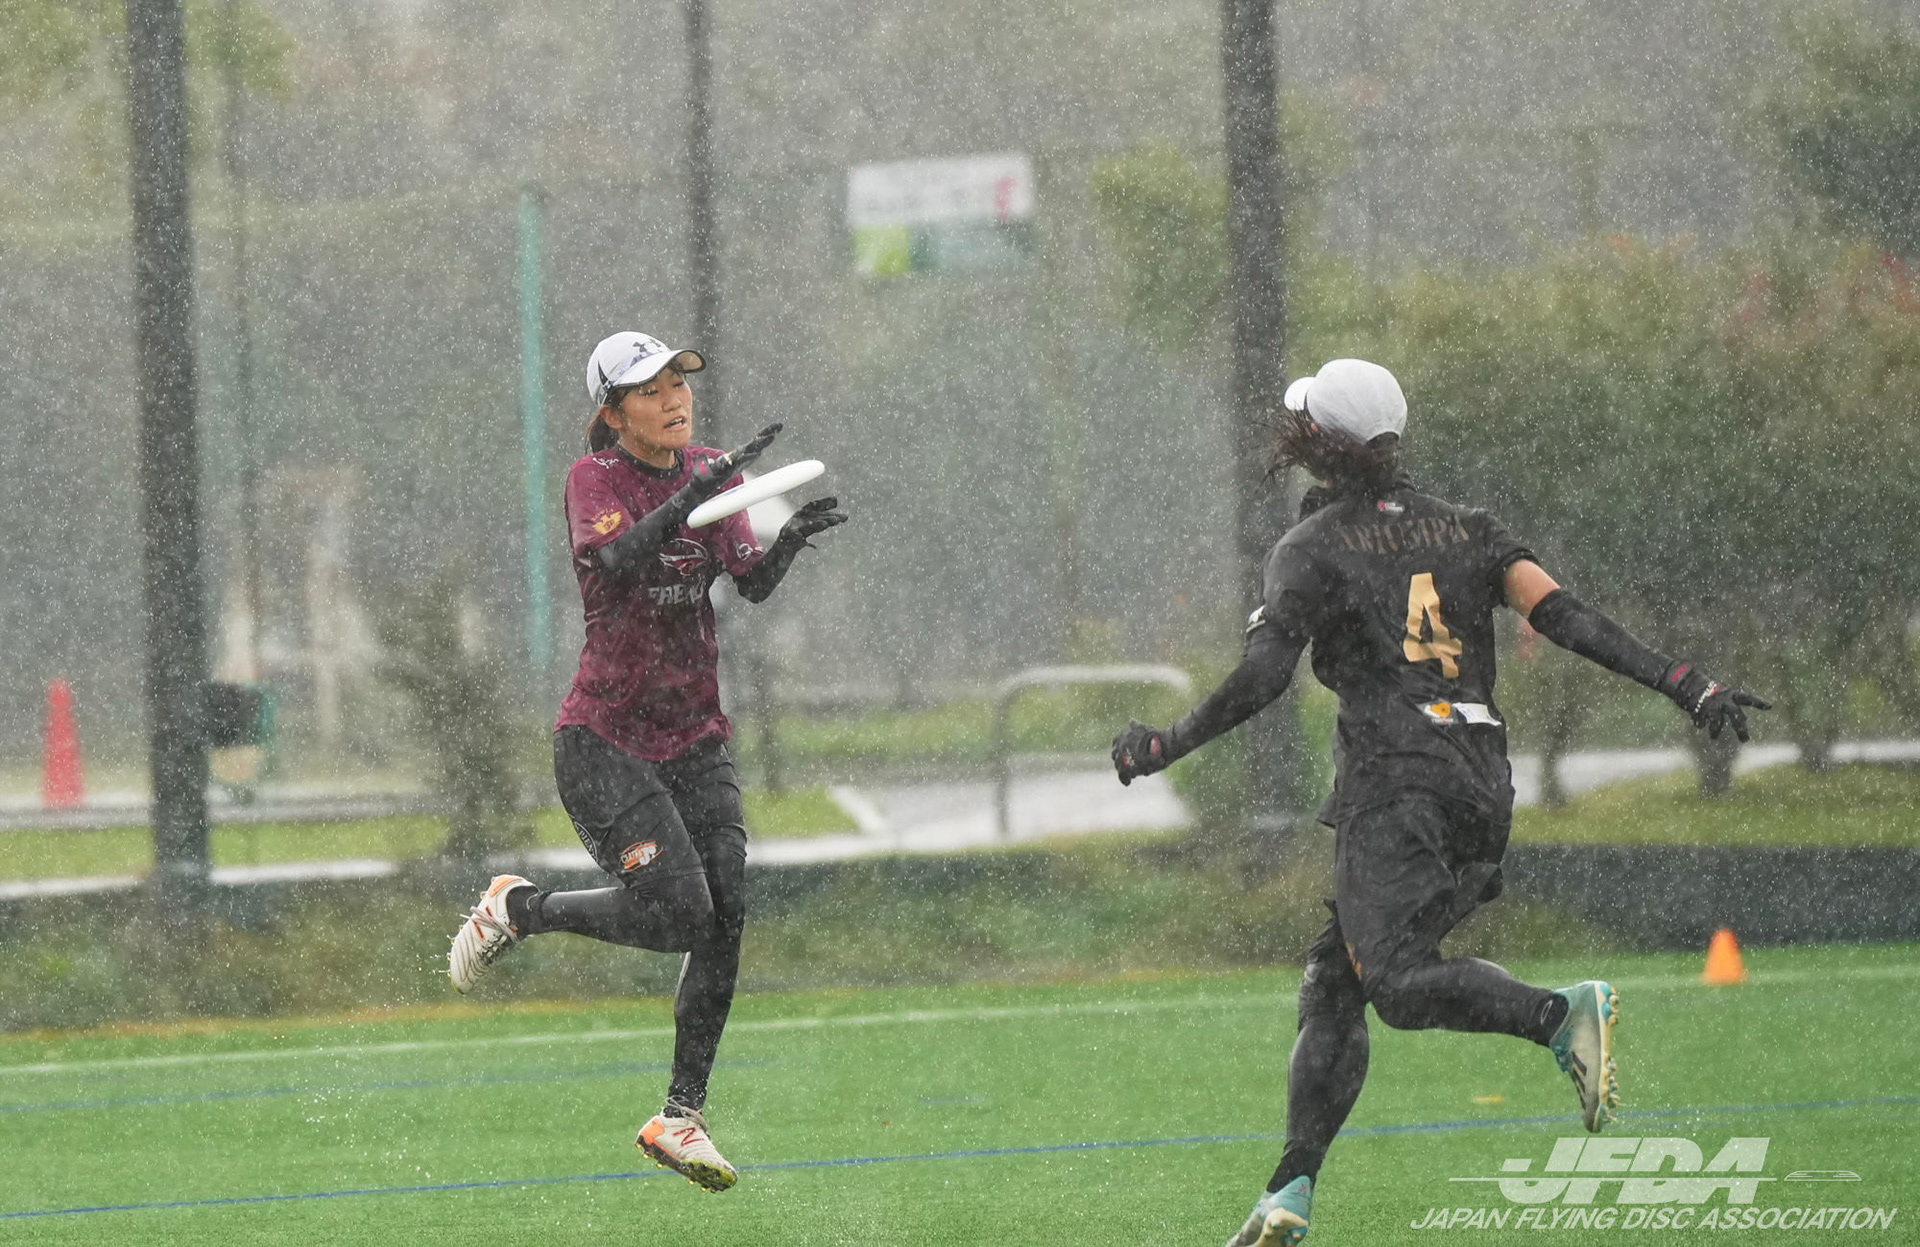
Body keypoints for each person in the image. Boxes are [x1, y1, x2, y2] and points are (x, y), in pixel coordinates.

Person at [1108, 358, 1768, 1247]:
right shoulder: (1470, 528)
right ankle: (1287, 1192)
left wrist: (1163, 746)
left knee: (1397, 985)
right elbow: (1566, 617)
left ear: (1315, 441)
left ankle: (1557, 1015)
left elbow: (1263, 680)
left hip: (1395, 785)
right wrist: (1685, 681)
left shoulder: (1308, 550)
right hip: (1481, 785)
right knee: (1336, 979)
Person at [447, 331, 847, 1192]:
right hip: (605, 741)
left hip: (696, 735)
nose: (674, 398)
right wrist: (692, 495)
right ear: (614, 411)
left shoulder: (710, 469)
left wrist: (784, 542)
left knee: (725, 912)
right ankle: (523, 908)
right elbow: (618, 562)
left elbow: (747, 580)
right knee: (677, 914)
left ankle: (681, 1115)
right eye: (651, 389)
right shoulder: (593, 479)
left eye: (678, 382)